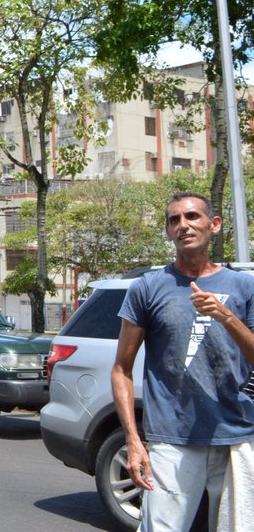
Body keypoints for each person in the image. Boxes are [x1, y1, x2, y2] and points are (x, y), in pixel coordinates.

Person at [112, 191, 254, 532]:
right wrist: (133, 441)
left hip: (237, 434)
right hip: (172, 439)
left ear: (214, 224)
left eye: (192, 217)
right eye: (174, 220)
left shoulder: (243, 286)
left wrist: (227, 317)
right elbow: (121, 369)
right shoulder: (148, 288)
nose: (183, 225)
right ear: (167, 231)